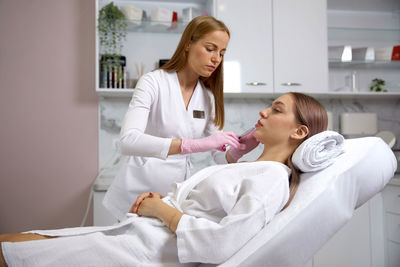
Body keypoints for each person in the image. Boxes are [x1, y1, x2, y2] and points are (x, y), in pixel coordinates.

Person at [0, 92, 328, 267]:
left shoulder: (271, 179)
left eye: (276, 109)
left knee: (15, 252)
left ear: (299, 131)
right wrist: (161, 203)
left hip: (148, 253)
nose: (264, 113)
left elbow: (222, 243)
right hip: (139, 237)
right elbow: (206, 208)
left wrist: (162, 211)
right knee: (19, 244)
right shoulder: (253, 169)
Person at [103, 16, 258, 221]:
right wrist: (192, 145)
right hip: (136, 192)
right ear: (188, 44)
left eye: (222, 53)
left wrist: (236, 152)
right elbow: (127, 142)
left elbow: (219, 155)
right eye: (210, 49)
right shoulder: (153, 82)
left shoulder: (207, 97)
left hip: (172, 197)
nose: (216, 59)